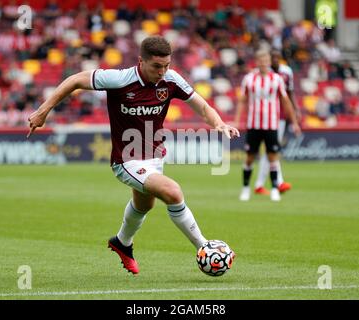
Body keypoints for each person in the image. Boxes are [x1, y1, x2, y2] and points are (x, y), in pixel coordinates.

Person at [27, 36, 239, 274]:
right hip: (126, 160)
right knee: (172, 191)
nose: (163, 71)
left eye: (167, 65)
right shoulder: (119, 79)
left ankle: (122, 243)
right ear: (141, 61)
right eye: (157, 66)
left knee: (144, 205)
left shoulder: (171, 79)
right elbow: (75, 80)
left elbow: (201, 106)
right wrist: (43, 111)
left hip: (154, 157)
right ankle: (204, 247)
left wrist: (219, 123)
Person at [234, 48, 301, 202]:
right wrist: (237, 121)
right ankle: (245, 188)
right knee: (250, 158)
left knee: (273, 157)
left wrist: (294, 122)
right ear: (257, 62)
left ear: (269, 62)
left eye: (266, 60)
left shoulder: (277, 79)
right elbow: (242, 100)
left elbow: (286, 101)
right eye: (261, 61)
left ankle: (275, 189)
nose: (264, 63)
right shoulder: (249, 79)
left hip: (271, 124)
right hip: (254, 124)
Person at [253, 49, 301, 196]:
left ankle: (260, 185)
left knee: (271, 150)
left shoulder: (286, 73)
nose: (273, 60)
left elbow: (290, 93)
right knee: (272, 150)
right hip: (266, 117)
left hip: (280, 116)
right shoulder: (259, 74)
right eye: (271, 58)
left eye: (276, 58)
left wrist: (295, 109)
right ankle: (276, 182)